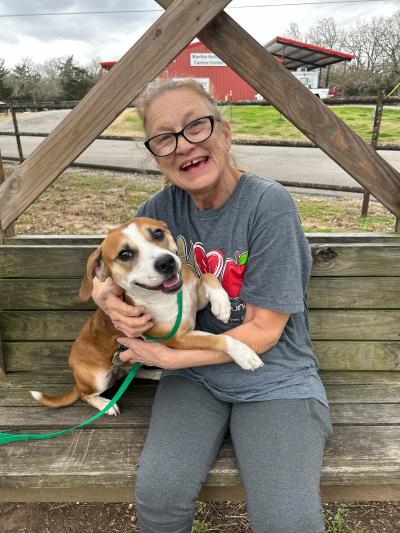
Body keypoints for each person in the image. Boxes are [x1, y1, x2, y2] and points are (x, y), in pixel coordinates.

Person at [91, 79, 332, 533]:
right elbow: (112, 261)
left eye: (195, 127)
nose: (183, 146)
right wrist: (108, 298)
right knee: (159, 496)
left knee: (287, 520)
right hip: (195, 379)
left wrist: (167, 357)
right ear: (156, 154)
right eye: (165, 137)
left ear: (223, 132)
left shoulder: (268, 205)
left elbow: (264, 331)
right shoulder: (160, 210)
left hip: (273, 377)